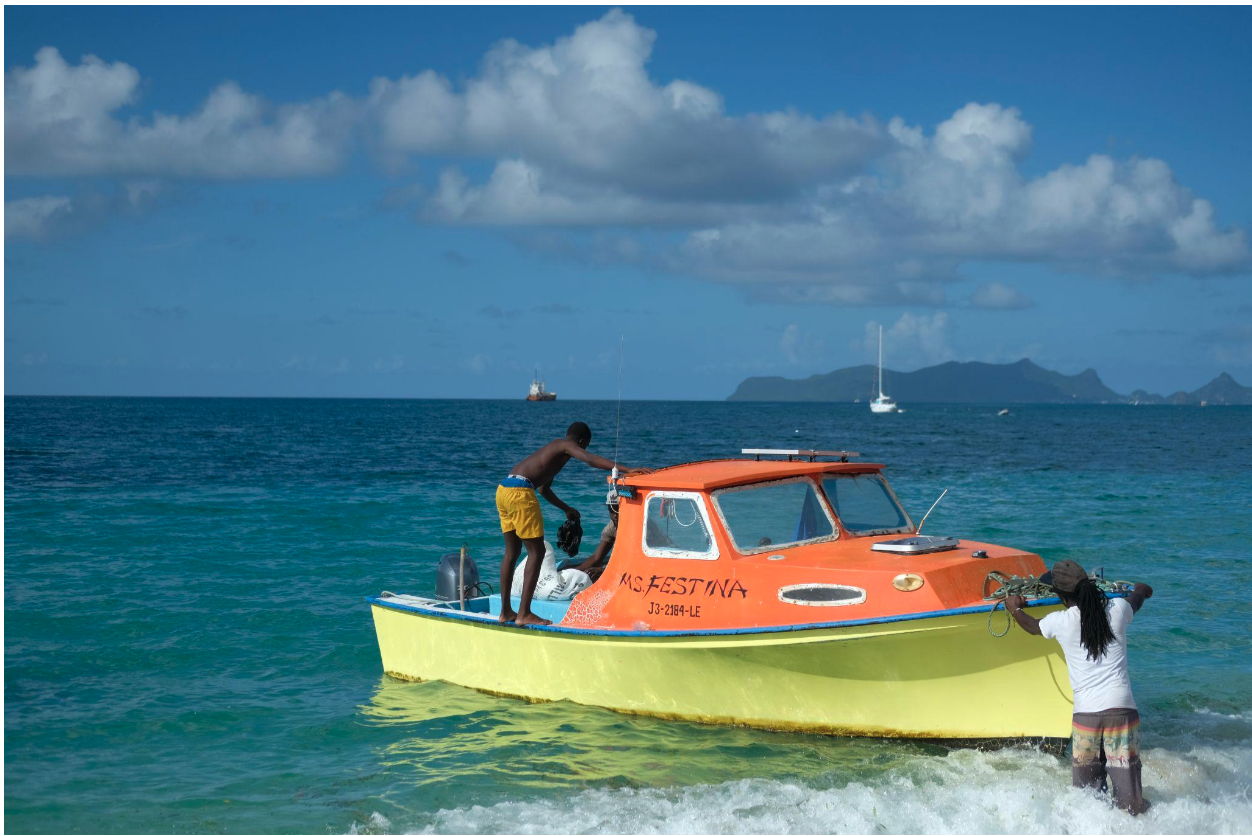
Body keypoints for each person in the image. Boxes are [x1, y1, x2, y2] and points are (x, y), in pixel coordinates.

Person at [1005, 560, 1155, 816]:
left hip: (1086, 716)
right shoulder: (1117, 609)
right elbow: (1138, 597)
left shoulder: (1060, 621)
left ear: (1062, 597)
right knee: (1130, 799)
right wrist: (1142, 588)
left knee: (1088, 797)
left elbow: (1032, 627)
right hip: (1122, 712)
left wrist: (1014, 608)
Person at [496, 421, 643, 626]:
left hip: (504, 489)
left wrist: (566, 509)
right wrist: (626, 470)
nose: (581, 450)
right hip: (520, 491)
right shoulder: (563, 445)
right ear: (582, 441)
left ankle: (505, 612)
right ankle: (524, 614)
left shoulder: (553, 456)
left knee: (511, 553)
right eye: (584, 446)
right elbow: (590, 460)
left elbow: (544, 489)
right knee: (536, 552)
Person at [570, 491, 619, 581]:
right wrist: (572, 573)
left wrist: (603, 570)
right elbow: (596, 558)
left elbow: (636, 560)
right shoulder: (612, 528)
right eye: (612, 510)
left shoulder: (640, 528)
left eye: (618, 509)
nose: (615, 515)